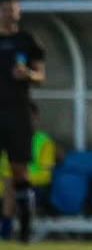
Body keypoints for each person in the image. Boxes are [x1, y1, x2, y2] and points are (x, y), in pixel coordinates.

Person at [0, 0, 47, 244]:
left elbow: (41, 76)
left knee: (20, 171)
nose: (9, 13)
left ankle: (26, 229)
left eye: (13, 9)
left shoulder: (27, 41)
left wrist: (28, 74)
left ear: (19, 12)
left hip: (18, 113)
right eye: (5, 9)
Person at [1, 102, 58, 239]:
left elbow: (46, 173)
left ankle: (6, 231)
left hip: (35, 187)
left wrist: (23, 178)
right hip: (8, 185)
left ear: (35, 118)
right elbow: (4, 169)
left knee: (13, 189)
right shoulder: (8, 143)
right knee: (10, 186)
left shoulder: (44, 141)